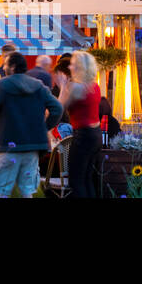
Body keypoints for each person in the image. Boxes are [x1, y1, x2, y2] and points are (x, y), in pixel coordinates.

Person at [0, 52, 63, 198]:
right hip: (32, 147)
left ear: (12, 67)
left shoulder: (2, 85)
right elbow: (57, 108)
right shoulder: (39, 86)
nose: (3, 68)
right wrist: (44, 127)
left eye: (5, 64)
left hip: (7, 146)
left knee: (2, 191)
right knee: (27, 191)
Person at [59, 50, 101, 198]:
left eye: (72, 65)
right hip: (96, 135)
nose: (69, 67)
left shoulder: (77, 87)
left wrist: (63, 86)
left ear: (79, 67)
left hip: (83, 136)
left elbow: (59, 108)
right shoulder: (94, 86)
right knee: (87, 179)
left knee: (76, 181)